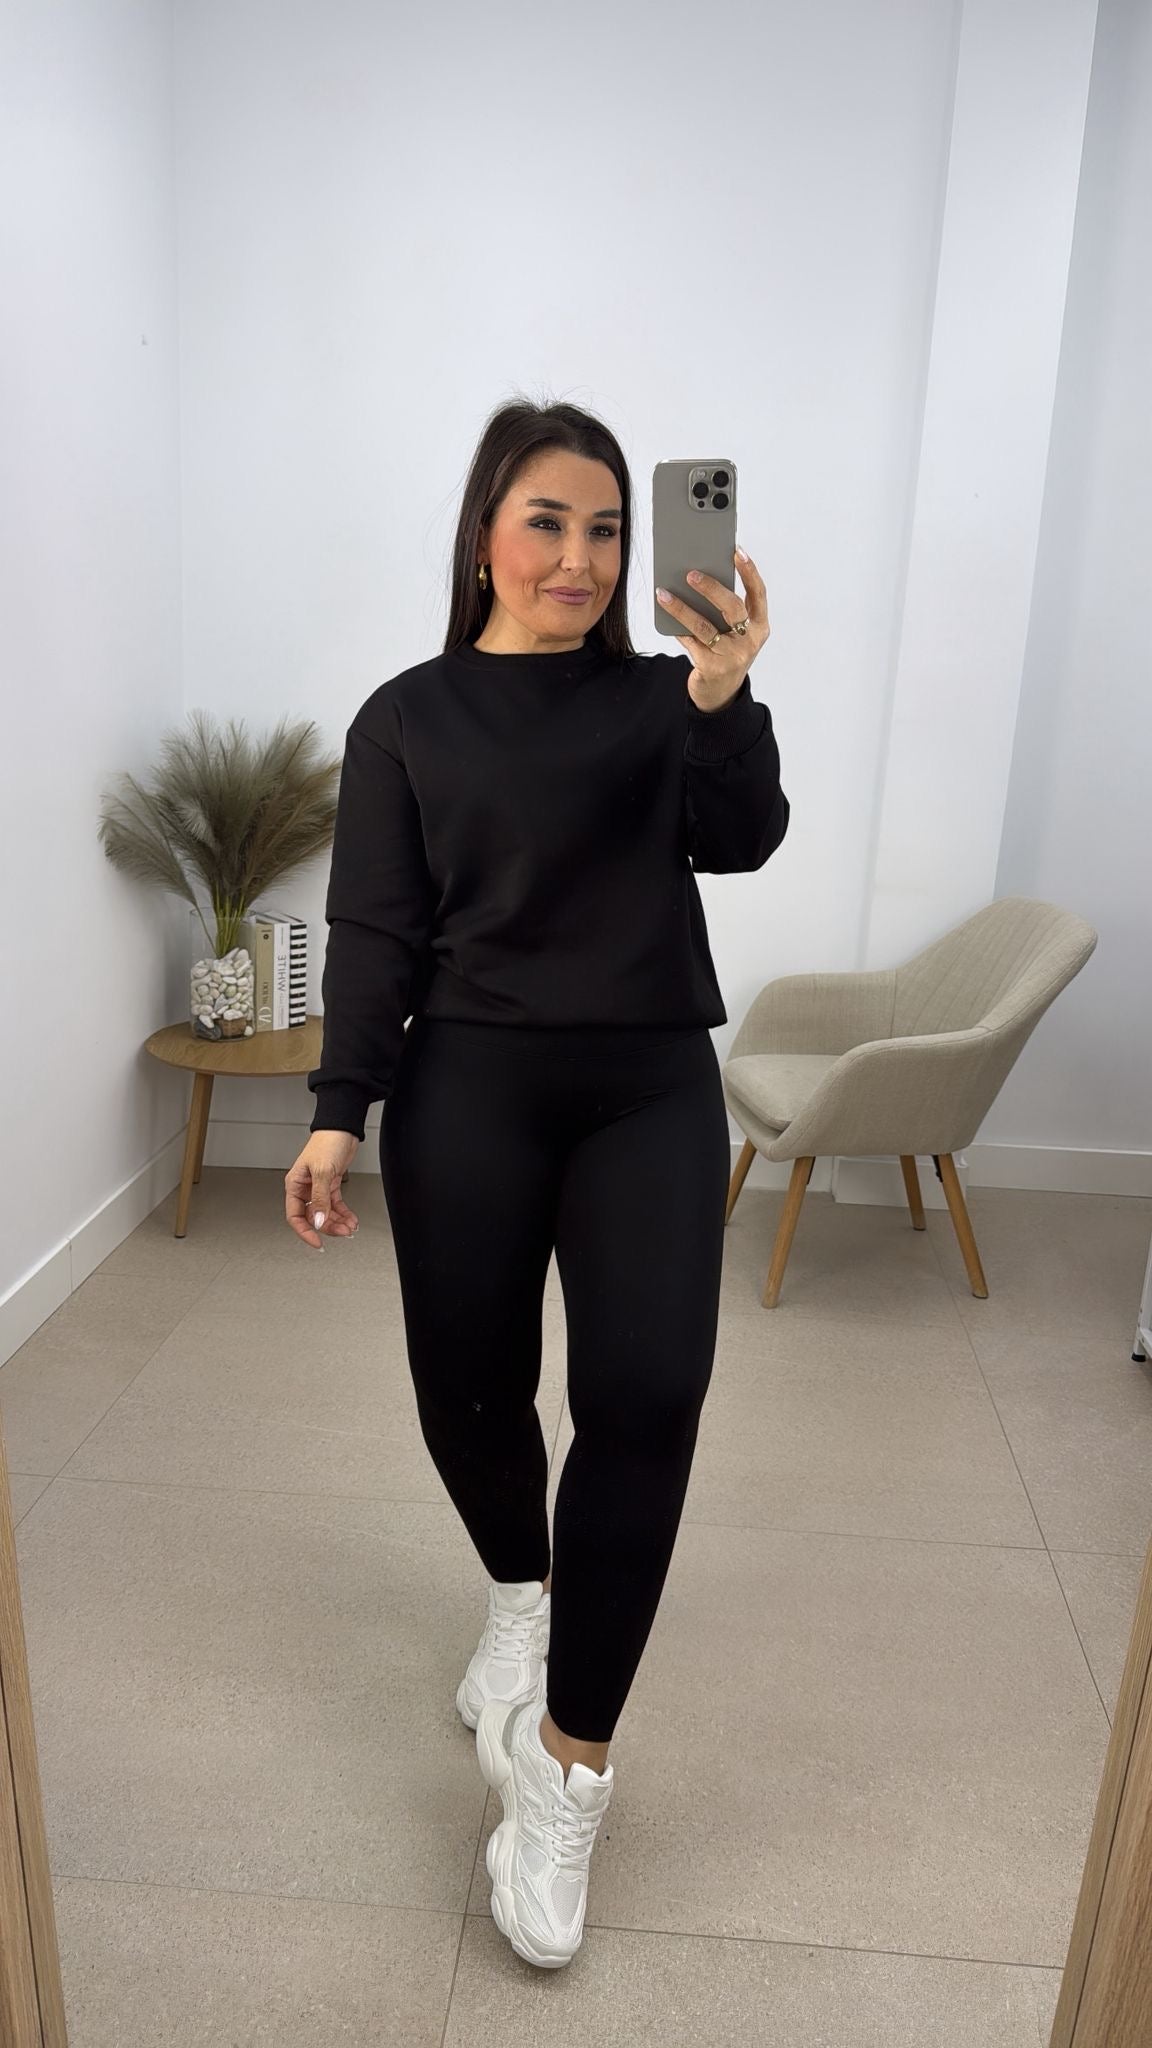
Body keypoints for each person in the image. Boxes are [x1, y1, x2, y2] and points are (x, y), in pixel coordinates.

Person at [284, 398, 789, 1969]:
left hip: (647, 1090)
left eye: (609, 528)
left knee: (647, 1401)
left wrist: (724, 696)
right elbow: (376, 926)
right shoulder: (407, 717)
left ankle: (567, 1771)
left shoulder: (667, 695)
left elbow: (745, 838)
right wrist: (339, 1108)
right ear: (485, 535)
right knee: (472, 1391)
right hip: (471, 1092)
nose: (581, 556)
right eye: (548, 521)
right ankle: (520, 1594)